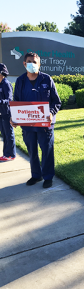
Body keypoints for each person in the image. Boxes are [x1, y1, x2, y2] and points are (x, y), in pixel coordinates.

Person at [12, 52, 61, 188]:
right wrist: (14, 118)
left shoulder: (47, 79)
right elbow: (17, 102)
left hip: (45, 124)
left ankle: (48, 177)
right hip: (28, 126)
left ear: (39, 64)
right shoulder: (20, 81)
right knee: (32, 151)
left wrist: (51, 113)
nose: (32, 64)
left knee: (47, 150)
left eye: (35, 62)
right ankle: (36, 175)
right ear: (24, 63)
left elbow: (56, 102)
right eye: (29, 61)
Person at [0, 63, 16, 162]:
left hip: (7, 113)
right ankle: (6, 154)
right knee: (4, 134)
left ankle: (11, 154)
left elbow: (10, 100)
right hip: (1, 114)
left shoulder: (6, 84)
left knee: (8, 134)